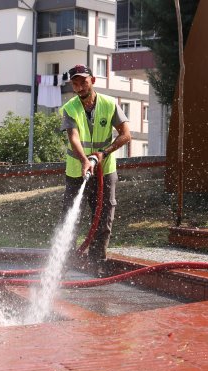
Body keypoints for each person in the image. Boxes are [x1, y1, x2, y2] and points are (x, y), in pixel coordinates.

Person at [59, 64, 131, 276]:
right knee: (70, 218)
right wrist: (84, 160)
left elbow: (126, 134)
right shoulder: (70, 108)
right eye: (75, 83)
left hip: (105, 171)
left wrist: (103, 153)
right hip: (77, 172)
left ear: (93, 81)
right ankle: (65, 264)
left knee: (104, 217)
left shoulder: (109, 104)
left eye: (83, 82)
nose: (79, 87)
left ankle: (96, 263)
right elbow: (73, 137)